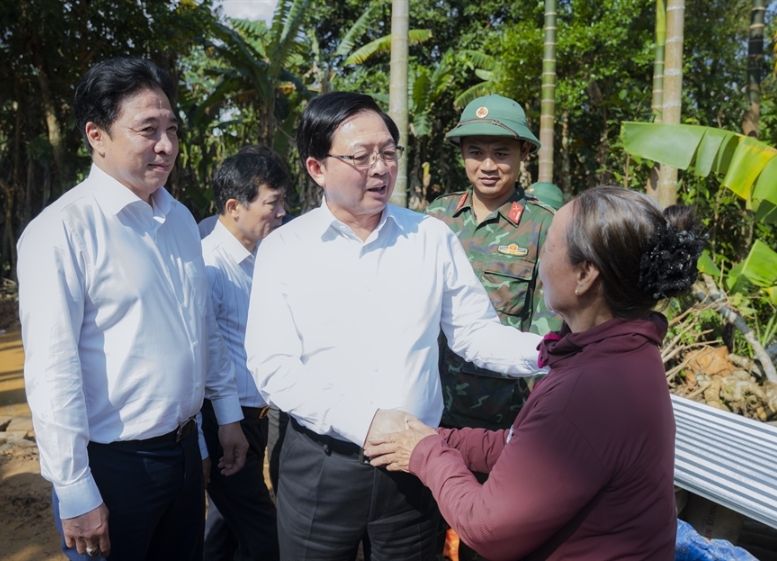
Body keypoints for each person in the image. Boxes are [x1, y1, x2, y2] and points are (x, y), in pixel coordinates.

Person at [244, 91, 549, 561]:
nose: (380, 168)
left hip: (415, 465)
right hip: (322, 467)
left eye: (388, 153)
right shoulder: (286, 249)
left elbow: (474, 333)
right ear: (317, 168)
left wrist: (554, 352)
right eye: (361, 156)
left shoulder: (430, 237)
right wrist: (367, 425)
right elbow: (273, 367)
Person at [366, 186, 705, 560]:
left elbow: (485, 525)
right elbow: (523, 448)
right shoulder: (625, 353)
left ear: (585, 275)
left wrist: (424, 453)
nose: (540, 262)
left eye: (549, 247)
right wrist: (438, 437)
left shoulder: (585, 392)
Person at [17, 57, 248, 561]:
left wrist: (222, 420)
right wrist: (74, 486)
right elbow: (53, 371)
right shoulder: (60, 232)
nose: (166, 145)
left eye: (172, 129)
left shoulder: (180, 219)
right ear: (97, 135)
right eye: (148, 130)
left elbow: (202, 328)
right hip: (112, 467)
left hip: (184, 452)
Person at [426, 93, 561, 561]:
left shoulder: (544, 227)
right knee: (423, 533)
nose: (487, 165)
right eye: (476, 152)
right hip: (433, 409)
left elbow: (547, 334)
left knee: (487, 539)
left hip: (501, 422)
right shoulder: (436, 218)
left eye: (501, 153)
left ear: (523, 154)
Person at [200, 151, 289, 561]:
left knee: (224, 530)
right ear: (235, 207)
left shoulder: (261, 258)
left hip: (254, 419)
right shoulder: (209, 266)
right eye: (273, 202)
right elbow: (206, 353)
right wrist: (228, 423)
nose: (282, 212)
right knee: (265, 537)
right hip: (224, 423)